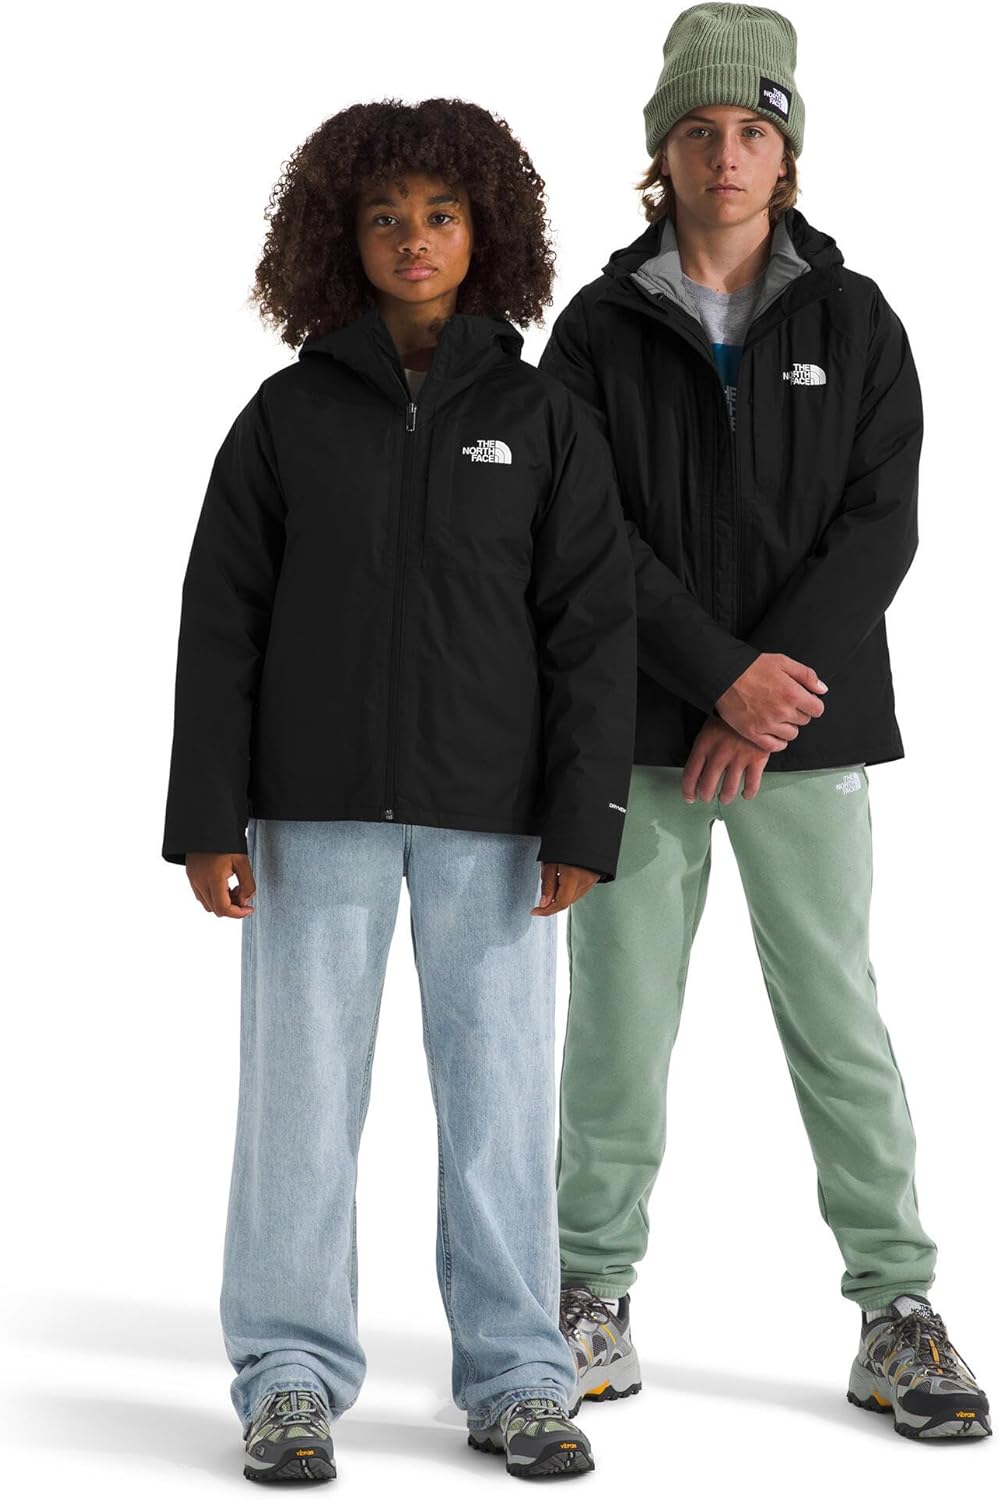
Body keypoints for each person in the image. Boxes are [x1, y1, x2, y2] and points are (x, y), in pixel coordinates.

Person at [161, 96, 637, 1481]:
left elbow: (592, 633)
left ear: (486, 232)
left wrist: (583, 817)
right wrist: (207, 818)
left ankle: (519, 1377)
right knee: (299, 1104)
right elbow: (221, 622)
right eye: (383, 218)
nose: (412, 239)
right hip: (313, 812)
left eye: (438, 214)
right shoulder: (288, 418)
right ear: (340, 238)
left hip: (498, 824)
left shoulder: (544, 419)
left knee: (501, 1108)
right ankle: (288, 1374)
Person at [540, 2, 991, 1442]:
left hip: (808, 731)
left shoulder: (857, 321)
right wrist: (716, 677)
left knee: (836, 1015)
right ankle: (589, 1293)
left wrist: (767, 688)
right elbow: (583, 533)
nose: (726, 155)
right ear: (662, 152)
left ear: (786, 153)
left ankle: (897, 1308)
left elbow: (882, 525)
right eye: (699, 131)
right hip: (638, 730)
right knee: (618, 1024)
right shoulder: (596, 331)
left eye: (752, 130)